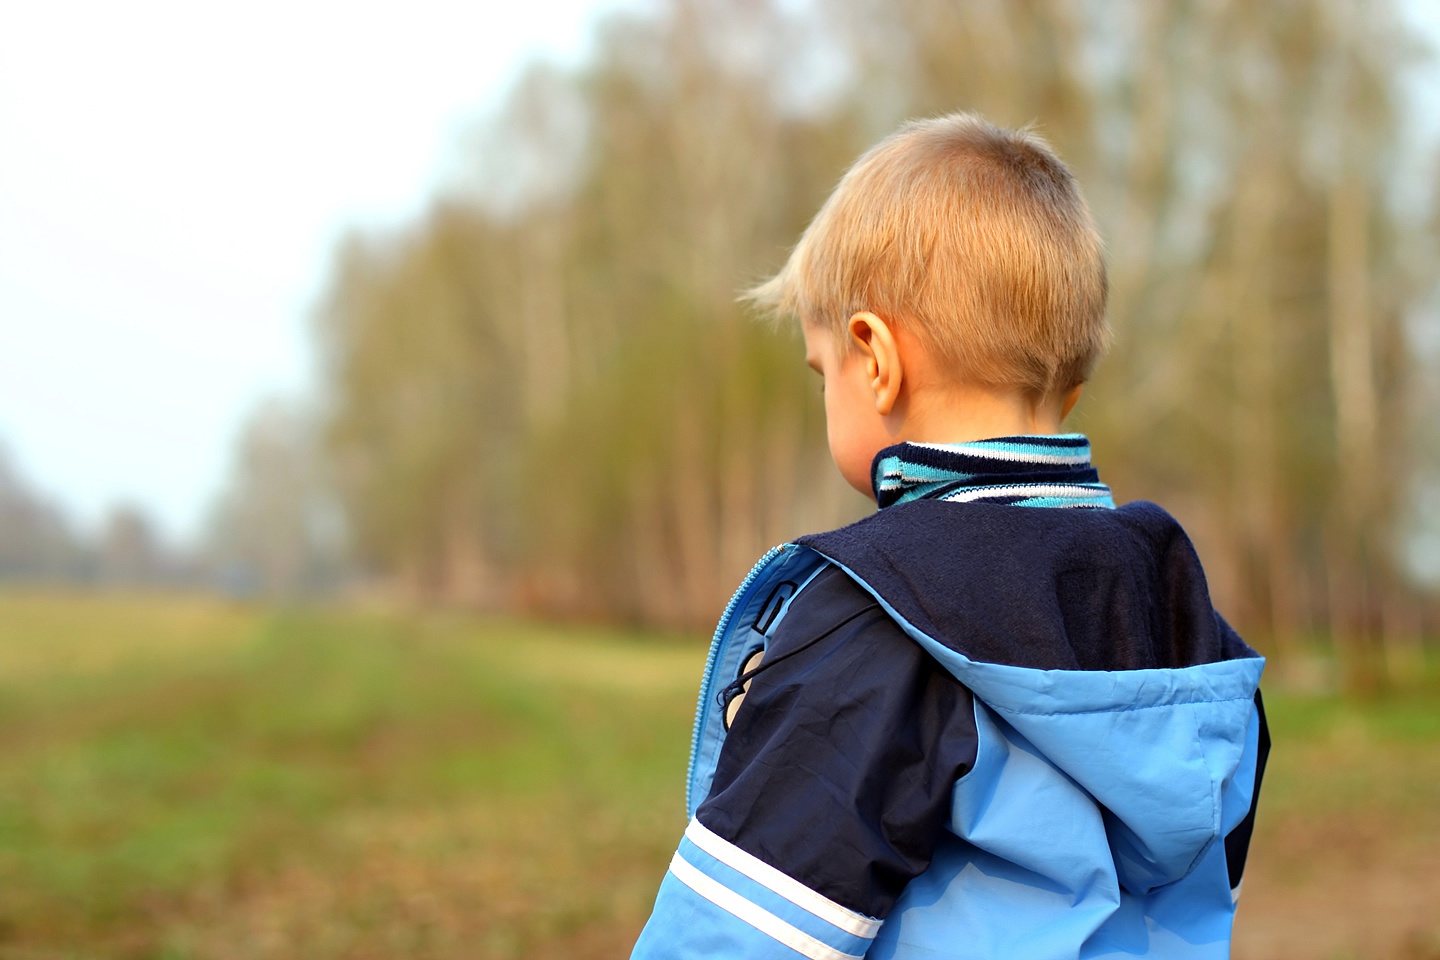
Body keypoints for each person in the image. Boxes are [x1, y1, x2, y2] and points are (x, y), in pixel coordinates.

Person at [629, 112, 1269, 960]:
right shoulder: (1179, 608)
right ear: (1068, 395)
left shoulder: (888, 613)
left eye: (823, 374)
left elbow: (739, 937)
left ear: (875, 358)